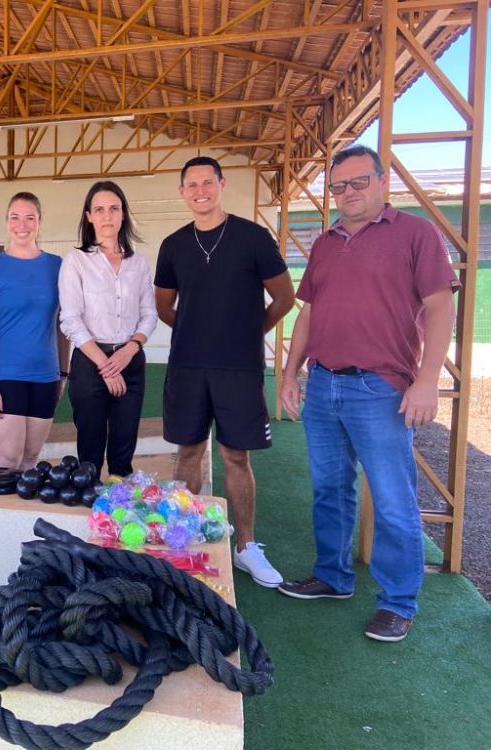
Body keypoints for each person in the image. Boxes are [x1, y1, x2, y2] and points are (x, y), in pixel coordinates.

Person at [278, 145, 458, 642]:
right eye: (338, 186)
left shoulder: (416, 234)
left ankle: (398, 602)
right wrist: (291, 373)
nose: (348, 193)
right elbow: (308, 314)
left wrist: (426, 381)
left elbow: (441, 307)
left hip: (380, 387)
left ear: (383, 182)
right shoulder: (325, 243)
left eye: (358, 182)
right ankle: (333, 577)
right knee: (329, 489)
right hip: (324, 383)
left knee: (393, 498)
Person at [154, 155, 295, 588]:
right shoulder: (174, 244)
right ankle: (187, 538)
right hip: (189, 366)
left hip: (239, 367)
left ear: (221, 184)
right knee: (189, 452)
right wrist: (197, 331)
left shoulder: (253, 237)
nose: (200, 191)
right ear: (182, 192)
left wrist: (246, 333)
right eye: (191, 184)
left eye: (207, 182)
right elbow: (164, 305)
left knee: (236, 455)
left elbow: (284, 299)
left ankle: (247, 546)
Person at [59, 181, 158, 477]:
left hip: (129, 359)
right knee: (89, 453)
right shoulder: (76, 261)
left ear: (123, 214)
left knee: (123, 451)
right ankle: (88, 515)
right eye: (99, 210)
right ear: (89, 216)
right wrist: (106, 366)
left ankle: (118, 518)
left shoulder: (138, 263)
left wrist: (130, 349)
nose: (107, 216)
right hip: (91, 363)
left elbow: (149, 315)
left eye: (114, 209)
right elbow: (70, 319)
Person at [0, 192, 69, 469]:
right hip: (5, 376)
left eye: (30, 217)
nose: (22, 224)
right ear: (6, 222)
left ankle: (22, 514)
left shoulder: (57, 266)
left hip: (46, 376)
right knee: (8, 457)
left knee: (30, 457)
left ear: (40, 222)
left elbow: (63, 326)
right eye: (15, 217)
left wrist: (63, 372)